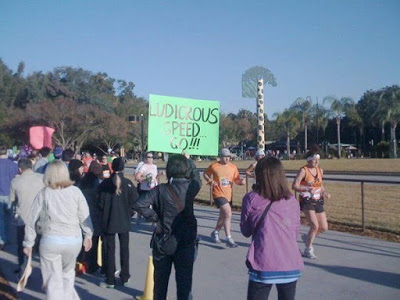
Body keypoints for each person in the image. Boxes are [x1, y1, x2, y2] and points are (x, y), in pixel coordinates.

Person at [133, 154, 201, 300]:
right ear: (185, 169)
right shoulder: (191, 187)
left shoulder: (160, 190)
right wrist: (187, 160)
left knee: (160, 286)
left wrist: (156, 219)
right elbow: (197, 176)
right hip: (186, 242)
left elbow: (139, 204)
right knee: (185, 286)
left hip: (163, 241)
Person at [23, 160, 93, 300]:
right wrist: (88, 234)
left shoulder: (44, 193)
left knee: (53, 280)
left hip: (51, 240)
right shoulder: (76, 192)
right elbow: (85, 216)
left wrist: (28, 243)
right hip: (73, 240)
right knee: (68, 275)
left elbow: (31, 220)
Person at [241, 157, 304, 300]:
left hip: (263, 264)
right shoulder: (292, 201)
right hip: (290, 264)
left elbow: (245, 231)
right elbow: (295, 232)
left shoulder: (251, 198)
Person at [97, 158, 138, 288]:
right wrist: (129, 214)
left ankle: (110, 279)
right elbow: (135, 202)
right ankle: (125, 276)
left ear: (112, 167)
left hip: (109, 221)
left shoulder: (104, 184)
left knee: (110, 251)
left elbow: (100, 204)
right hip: (124, 221)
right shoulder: (128, 183)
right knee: (124, 250)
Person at [292, 147, 331, 259]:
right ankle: (308, 249)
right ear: (309, 160)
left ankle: (309, 237)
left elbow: (320, 184)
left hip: (318, 200)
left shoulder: (320, 170)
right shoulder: (303, 171)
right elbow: (294, 186)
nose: (317, 162)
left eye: (318, 159)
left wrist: (325, 192)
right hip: (306, 200)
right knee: (314, 225)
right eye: (314, 159)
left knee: (324, 227)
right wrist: (306, 189)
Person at [203, 148, 244, 248]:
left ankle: (216, 232)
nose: (227, 158)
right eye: (225, 156)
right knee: (228, 213)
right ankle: (228, 238)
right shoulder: (214, 166)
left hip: (228, 194)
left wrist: (241, 182)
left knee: (223, 216)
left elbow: (236, 180)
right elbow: (205, 174)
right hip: (218, 193)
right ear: (220, 157)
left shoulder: (233, 167)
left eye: (228, 156)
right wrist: (210, 180)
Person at [10, 158, 44, 272]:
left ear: (20, 169)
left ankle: (23, 266)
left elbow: (12, 199)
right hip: (40, 218)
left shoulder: (15, 182)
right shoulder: (42, 178)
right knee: (40, 245)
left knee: (22, 244)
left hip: (23, 217)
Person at [80, 161, 104, 274]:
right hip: (95, 214)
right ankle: (92, 264)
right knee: (94, 241)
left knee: (86, 239)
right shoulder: (97, 183)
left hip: (83, 214)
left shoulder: (83, 182)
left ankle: (84, 262)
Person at [0, 146, 18, 249]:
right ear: (6, 153)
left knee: (0, 218)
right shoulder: (13, 165)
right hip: (10, 193)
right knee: (8, 217)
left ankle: (2, 239)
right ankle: (6, 236)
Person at [135, 152, 158, 224]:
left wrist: (159, 176)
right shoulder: (143, 166)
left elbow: (155, 177)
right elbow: (137, 177)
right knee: (143, 204)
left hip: (153, 187)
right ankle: (139, 217)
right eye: (148, 157)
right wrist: (146, 178)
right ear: (145, 158)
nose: (150, 159)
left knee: (155, 205)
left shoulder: (155, 166)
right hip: (145, 188)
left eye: (152, 157)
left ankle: (154, 220)